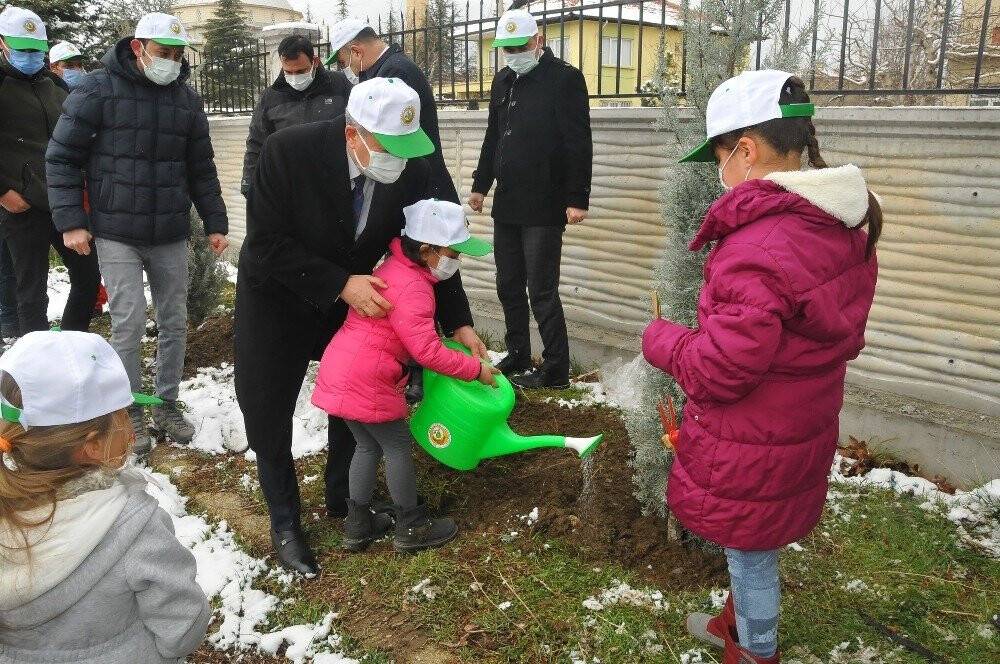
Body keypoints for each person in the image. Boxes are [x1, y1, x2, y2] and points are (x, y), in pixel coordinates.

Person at [642, 70, 881, 663]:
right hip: (796, 418)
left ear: (745, 150)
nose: (718, 174)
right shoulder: (836, 218)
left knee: (750, 550)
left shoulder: (761, 243)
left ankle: (755, 649)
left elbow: (722, 369)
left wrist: (662, 340)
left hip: (753, 430)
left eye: (721, 157)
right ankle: (739, 622)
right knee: (753, 538)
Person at [236, 77, 488, 574]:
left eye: (406, 147)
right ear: (353, 133)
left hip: (353, 306)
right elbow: (266, 243)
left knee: (356, 396)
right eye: (388, 146)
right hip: (278, 297)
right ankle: (285, 521)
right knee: (267, 406)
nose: (400, 158)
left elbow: (429, 245)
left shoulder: (412, 169)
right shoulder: (288, 152)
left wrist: (457, 320)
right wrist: (337, 282)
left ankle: (343, 500)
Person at [46, 12, 229, 453]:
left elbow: (200, 166)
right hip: (116, 229)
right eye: (162, 53)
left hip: (168, 228)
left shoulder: (185, 100)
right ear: (138, 47)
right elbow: (63, 156)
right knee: (127, 321)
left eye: (177, 55)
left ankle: (167, 402)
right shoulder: (97, 89)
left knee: (173, 320)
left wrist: (216, 220)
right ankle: (130, 409)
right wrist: (72, 222)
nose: (170, 62)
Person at [0, 331, 210, 663]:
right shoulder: (135, 527)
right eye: (124, 414)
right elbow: (182, 627)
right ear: (94, 445)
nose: (130, 427)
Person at [313, 199, 498, 554]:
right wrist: (476, 370)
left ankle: (358, 524)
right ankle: (411, 526)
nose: (456, 261)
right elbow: (425, 351)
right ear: (427, 249)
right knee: (396, 446)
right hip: (369, 375)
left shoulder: (394, 267)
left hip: (343, 367)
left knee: (367, 445)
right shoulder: (414, 287)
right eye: (453, 254)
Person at [469, 8, 592, 390]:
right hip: (507, 202)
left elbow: (578, 142)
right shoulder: (503, 81)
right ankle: (519, 352)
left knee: (541, 289)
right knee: (508, 284)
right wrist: (479, 185)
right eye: (505, 49)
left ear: (538, 41)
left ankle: (556, 368)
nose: (512, 55)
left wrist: (577, 198)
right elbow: (494, 138)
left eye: (519, 47)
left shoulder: (565, 80)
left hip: (544, 204)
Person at [0, 7, 101, 336]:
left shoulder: (56, 86)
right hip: (22, 206)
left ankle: (69, 344)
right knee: (31, 293)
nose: (30, 56)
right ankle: (37, 363)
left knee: (87, 278)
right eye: (22, 48)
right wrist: (4, 193)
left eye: (37, 49)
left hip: (64, 204)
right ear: (3, 43)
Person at [326, 17, 458, 203]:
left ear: (356, 52)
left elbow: (386, 141)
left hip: (421, 190)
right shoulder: (389, 68)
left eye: (342, 63)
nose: (346, 70)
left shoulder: (393, 76)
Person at [241, 34, 352, 197]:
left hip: (337, 183)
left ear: (314, 61)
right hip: (291, 188)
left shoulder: (341, 85)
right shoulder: (271, 97)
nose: (294, 77)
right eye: (288, 72)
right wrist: (249, 183)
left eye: (301, 71)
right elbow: (257, 143)